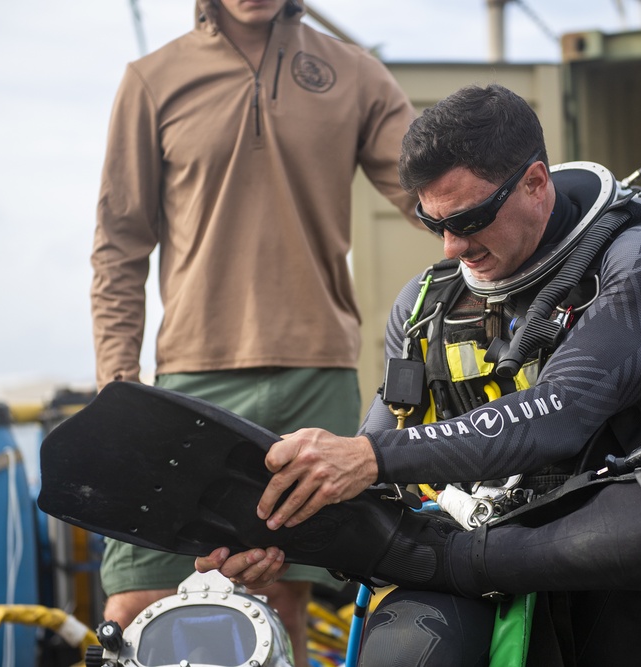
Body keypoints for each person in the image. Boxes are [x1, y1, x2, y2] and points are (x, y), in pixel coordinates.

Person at [192, 84, 641, 665]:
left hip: (615, 562)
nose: (451, 246)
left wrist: (372, 463)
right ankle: (440, 561)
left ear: (536, 182)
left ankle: (448, 560)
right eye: (433, 222)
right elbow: (374, 471)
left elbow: (562, 412)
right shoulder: (426, 303)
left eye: (470, 219)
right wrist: (276, 537)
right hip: (450, 557)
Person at [89, 0, 418, 663]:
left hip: (315, 378)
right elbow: (119, 245)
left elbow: (435, 193)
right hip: (190, 379)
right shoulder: (153, 79)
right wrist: (118, 386)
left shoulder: (354, 74)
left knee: (280, 604)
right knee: (132, 602)